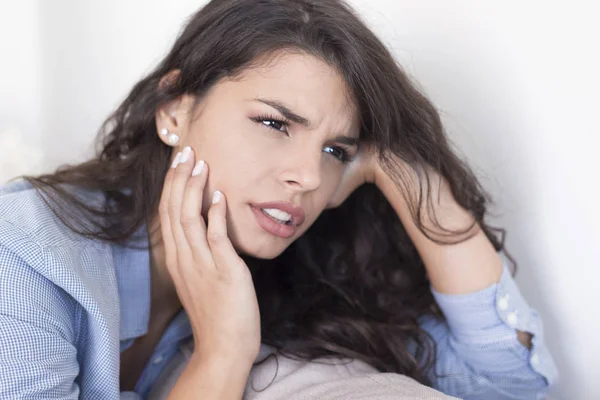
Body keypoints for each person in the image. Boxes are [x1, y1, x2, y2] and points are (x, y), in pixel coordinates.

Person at [0, 0, 557, 399]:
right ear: (174, 110)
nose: (308, 176)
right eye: (274, 123)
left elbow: (506, 383)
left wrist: (403, 170)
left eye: (337, 151)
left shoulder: (291, 274)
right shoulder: (23, 254)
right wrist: (222, 354)